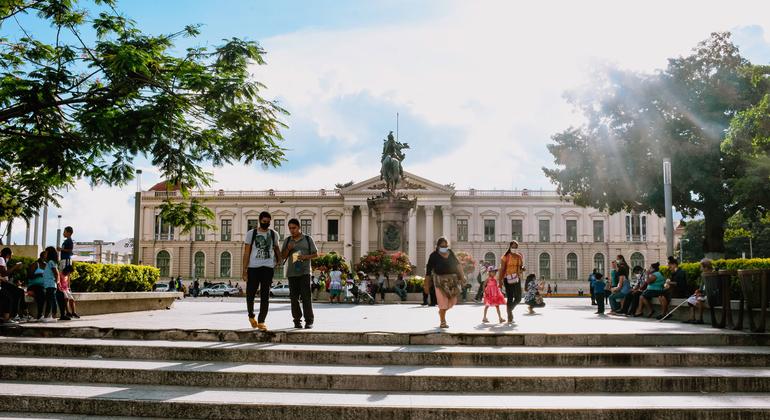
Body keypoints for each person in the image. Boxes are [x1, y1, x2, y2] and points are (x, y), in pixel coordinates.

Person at [243, 211, 282, 331]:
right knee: (250, 294)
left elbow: (276, 249)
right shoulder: (251, 233)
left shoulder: (274, 234)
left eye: (268, 221)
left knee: (265, 296)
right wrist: (244, 270)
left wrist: (279, 260)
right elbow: (246, 252)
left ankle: (261, 321)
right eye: (264, 221)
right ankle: (251, 316)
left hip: (267, 268)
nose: (266, 223)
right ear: (259, 220)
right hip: (253, 267)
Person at [281, 218, 318, 329]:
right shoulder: (287, 241)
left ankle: (309, 321)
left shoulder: (307, 239)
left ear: (299, 227)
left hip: (305, 272)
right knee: (294, 298)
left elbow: (315, 254)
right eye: (290, 228)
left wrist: (305, 257)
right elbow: (283, 256)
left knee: (306, 297)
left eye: (294, 228)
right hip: (292, 273)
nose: (292, 230)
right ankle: (297, 320)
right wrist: (288, 249)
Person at [425, 237, 465, 329]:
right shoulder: (433, 256)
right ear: (438, 246)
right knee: (442, 302)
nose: (444, 247)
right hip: (439, 281)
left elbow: (458, 264)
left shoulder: (450, 253)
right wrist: (426, 284)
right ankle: (443, 321)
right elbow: (428, 271)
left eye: (446, 245)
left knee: (453, 301)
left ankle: (441, 312)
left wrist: (462, 277)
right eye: (442, 246)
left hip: (452, 281)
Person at [497, 241, 524, 323]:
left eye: (516, 247)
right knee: (510, 298)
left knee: (518, 298)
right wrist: (500, 281)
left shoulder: (519, 257)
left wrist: (522, 268)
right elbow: (502, 270)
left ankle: (509, 310)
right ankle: (510, 317)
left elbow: (520, 266)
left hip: (516, 278)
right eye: (513, 247)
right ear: (510, 247)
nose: (514, 248)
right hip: (507, 279)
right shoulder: (505, 257)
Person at [0, 247, 24, 325]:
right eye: (11, 255)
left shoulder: (3, 260)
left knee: (18, 292)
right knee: (14, 294)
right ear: (7, 255)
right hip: (3, 283)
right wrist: (15, 266)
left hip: (5, 283)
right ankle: (12, 315)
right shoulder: (1, 259)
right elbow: (4, 273)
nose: (11, 257)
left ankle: (14, 315)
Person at [41, 247, 60, 323]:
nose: (44, 254)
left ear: (49, 253)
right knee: (49, 301)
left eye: (46, 252)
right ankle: (46, 316)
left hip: (51, 284)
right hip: (48, 285)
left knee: (52, 300)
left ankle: (54, 316)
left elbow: (56, 273)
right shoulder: (49, 262)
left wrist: (57, 282)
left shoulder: (51, 262)